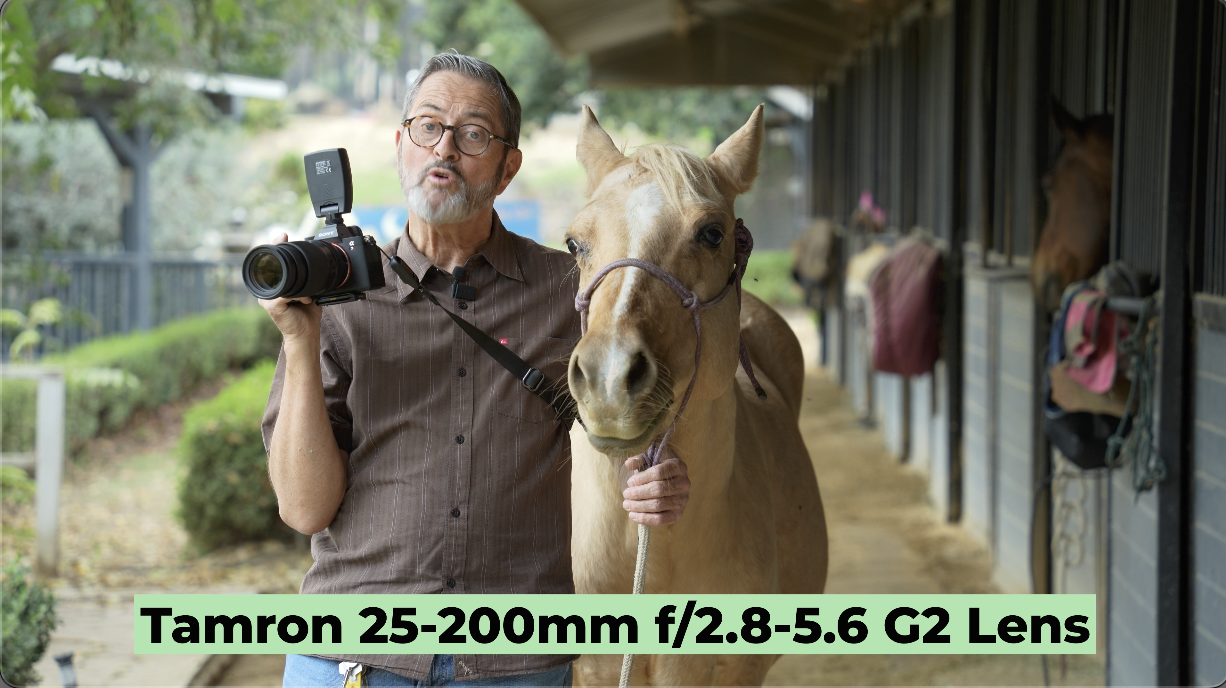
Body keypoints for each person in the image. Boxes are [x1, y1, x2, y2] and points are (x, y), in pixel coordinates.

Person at [260, 53, 692, 687]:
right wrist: (301, 340)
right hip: (352, 653)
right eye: (427, 126)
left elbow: (632, 417)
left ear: (508, 167)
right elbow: (304, 509)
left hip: (513, 661)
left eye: (473, 134)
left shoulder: (568, 289)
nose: (444, 148)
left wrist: (659, 472)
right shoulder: (337, 295)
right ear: (401, 144)